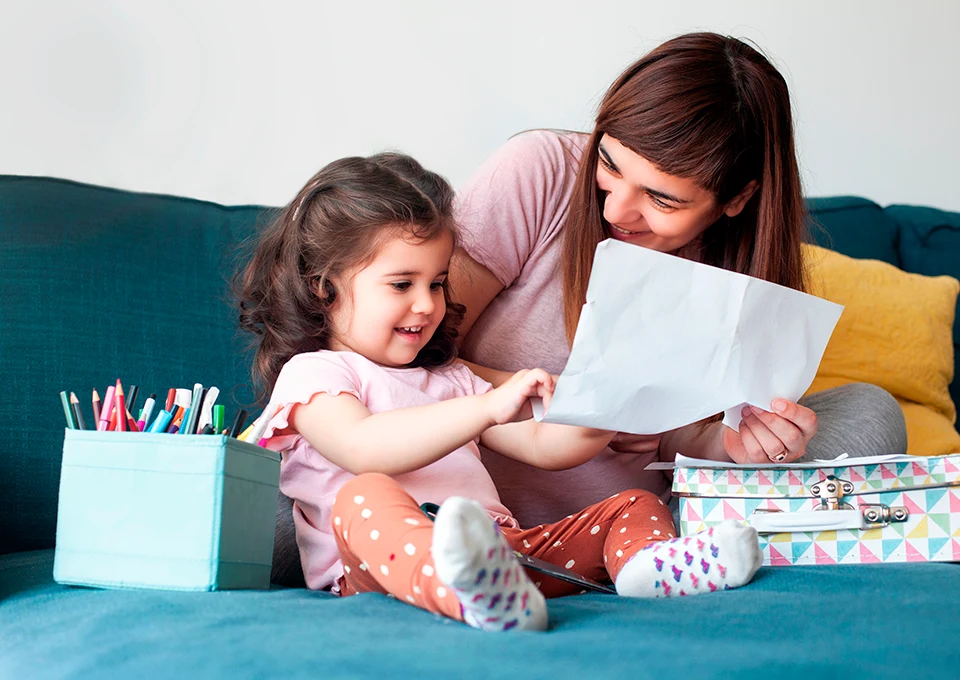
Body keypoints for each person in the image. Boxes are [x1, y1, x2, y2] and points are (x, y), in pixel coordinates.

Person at [237, 152, 763, 631]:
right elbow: (363, 446)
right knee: (362, 496)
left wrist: (602, 410)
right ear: (321, 286)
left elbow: (543, 445)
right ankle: (464, 591)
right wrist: (486, 407)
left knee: (632, 504)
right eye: (403, 285)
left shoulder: (450, 380)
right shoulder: (314, 375)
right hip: (381, 573)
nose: (427, 304)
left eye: (438, 283)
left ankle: (650, 568)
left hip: (508, 556)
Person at [449, 32, 908, 528]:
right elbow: (403, 352)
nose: (615, 208)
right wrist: (545, 393)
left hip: (645, 522)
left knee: (869, 411)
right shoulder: (538, 173)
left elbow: (673, 441)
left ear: (736, 200)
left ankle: (698, 545)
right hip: (483, 510)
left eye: (662, 199)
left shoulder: (733, 264)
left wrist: (733, 445)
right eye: (609, 163)